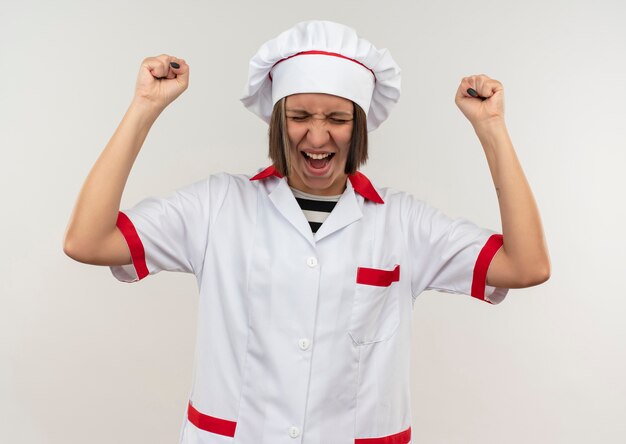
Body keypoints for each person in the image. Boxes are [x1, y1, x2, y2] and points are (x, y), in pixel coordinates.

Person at [64, 20, 550, 444]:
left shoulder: (402, 222)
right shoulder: (216, 206)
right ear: (277, 121)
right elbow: (87, 241)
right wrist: (144, 106)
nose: (317, 137)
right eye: (299, 117)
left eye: (337, 119)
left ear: (359, 127)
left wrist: (491, 129)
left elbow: (526, 266)